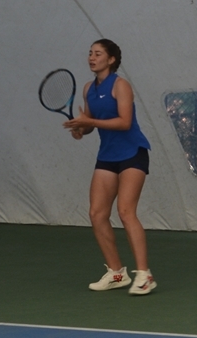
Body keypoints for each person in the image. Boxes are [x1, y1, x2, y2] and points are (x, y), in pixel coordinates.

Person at [64, 39, 156, 295]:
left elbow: (124, 122)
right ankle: (116, 273)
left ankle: (145, 276)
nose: (92, 58)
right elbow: (91, 123)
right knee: (97, 213)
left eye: (98, 54)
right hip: (107, 155)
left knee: (126, 211)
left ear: (111, 59)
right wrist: (80, 129)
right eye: (90, 53)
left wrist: (89, 122)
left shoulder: (120, 85)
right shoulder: (88, 89)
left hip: (133, 152)